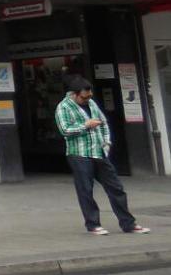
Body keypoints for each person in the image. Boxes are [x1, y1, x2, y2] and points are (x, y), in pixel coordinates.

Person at [55, 75, 152, 236]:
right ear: (74, 94)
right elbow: (65, 130)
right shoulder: (63, 107)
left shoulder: (91, 103)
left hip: (99, 152)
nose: (87, 99)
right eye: (84, 97)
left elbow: (103, 122)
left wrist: (107, 142)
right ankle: (93, 224)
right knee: (86, 190)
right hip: (79, 154)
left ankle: (128, 223)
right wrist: (86, 125)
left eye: (89, 96)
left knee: (116, 188)